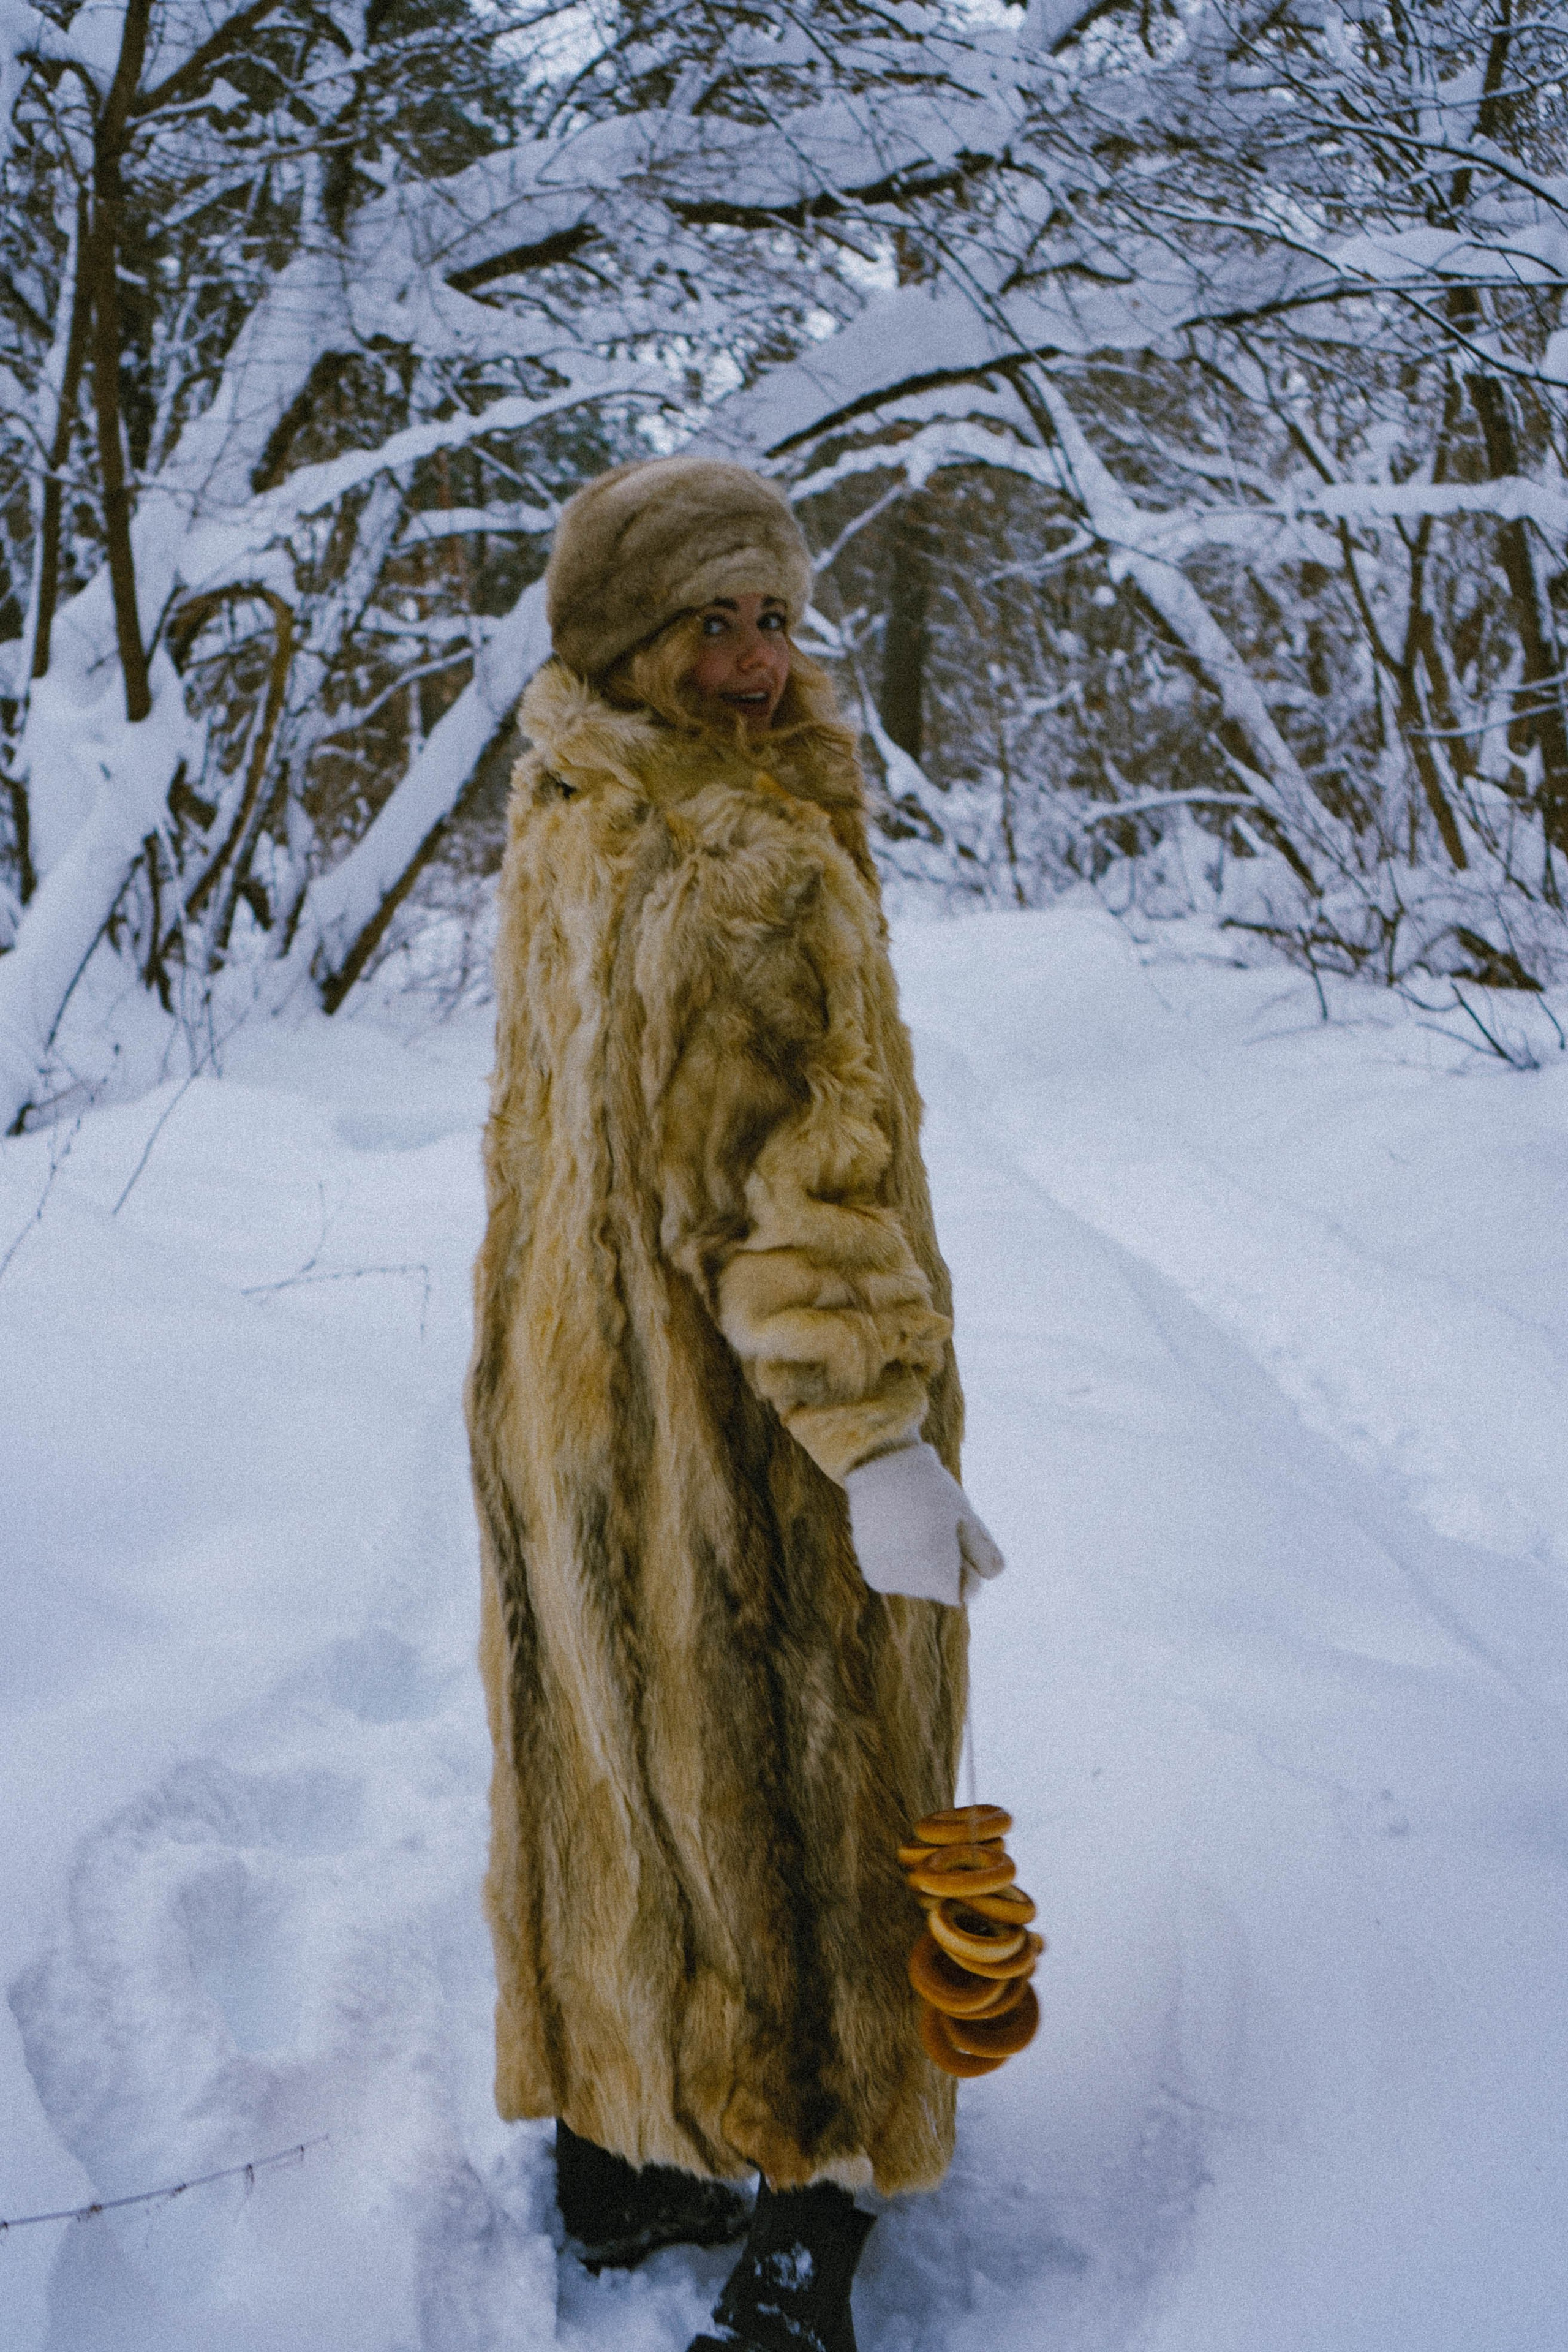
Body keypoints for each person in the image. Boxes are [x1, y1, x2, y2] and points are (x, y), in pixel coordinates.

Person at [466, 455, 1005, 2352]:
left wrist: (838, 1423)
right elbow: (778, 1182)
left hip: (627, 1404)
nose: (763, 659)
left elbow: (706, 1160)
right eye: (718, 620)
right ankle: (779, 2165)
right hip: (730, 1420)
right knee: (802, 1780)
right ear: (628, 635)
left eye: (778, 615)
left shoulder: (579, 798)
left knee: (670, 1757)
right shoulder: (713, 850)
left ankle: (705, 2153)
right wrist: (883, 1444)